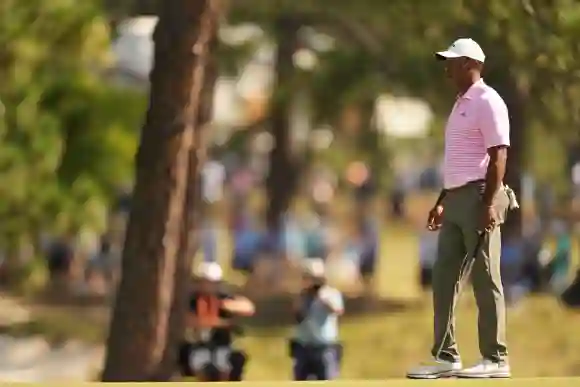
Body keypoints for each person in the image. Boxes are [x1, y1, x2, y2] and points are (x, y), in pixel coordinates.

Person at [407, 38, 517, 379]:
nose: (447, 68)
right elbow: (459, 161)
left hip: (479, 198)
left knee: (486, 279)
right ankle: (445, 355)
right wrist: (442, 202)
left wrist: (487, 204)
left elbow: (499, 156)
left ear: (470, 64)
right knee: (443, 279)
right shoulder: (460, 104)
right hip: (455, 199)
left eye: (452, 62)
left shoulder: (487, 101)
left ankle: (495, 358)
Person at [180, 262, 255, 381]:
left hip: (222, 345)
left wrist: (227, 305)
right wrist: (223, 323)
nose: (208, 286)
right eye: (205, 281)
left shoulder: (223, 297)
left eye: (212, 282)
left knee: (226, 364)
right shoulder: (194, 299)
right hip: (200, 345)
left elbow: (249, 307)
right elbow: (192, 320)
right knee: (200, 363)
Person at [290, 259, 344, 381]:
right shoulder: (302, 296)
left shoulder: (331, 294)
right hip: (304, 346)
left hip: (325, 347)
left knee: (327, 379)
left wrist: (321, 296)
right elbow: (297, 314)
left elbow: (337, 310)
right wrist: (305, 296)